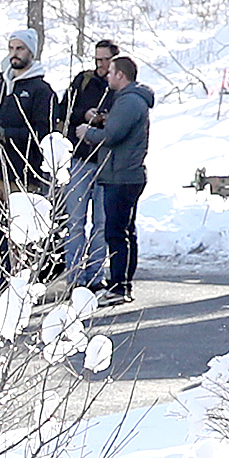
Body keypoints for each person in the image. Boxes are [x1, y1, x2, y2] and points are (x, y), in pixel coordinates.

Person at [82, 46, 154, 307]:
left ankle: (118, 286)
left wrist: (87, 132)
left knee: (116, 232)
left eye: (111, 71)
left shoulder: (128, 100)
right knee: (125, 231)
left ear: (121, 75)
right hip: (124, 175)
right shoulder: (130, 101)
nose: (107, 76)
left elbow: (113, 136)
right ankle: (122, 283)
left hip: (122, 176)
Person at [0, 29, 61, 235]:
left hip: (23, 177)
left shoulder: (42, 91)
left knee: (22, 238)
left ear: (31, 52)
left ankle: (21, 268)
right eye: (11, 48)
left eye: (20, 48)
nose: (14, 53)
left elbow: (43, 135)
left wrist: (4, 133)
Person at [57, 40, 116, 289]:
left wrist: (105, 118)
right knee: (75, 222)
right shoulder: (84, 81)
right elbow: (63, 110)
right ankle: (74, 276)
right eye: (97, 59)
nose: (101, 65)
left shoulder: (120, 87)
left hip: (107, 164)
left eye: (106, 60)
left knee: (101, 224)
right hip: (80, 160)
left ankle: (95, 275)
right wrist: (86, 115)